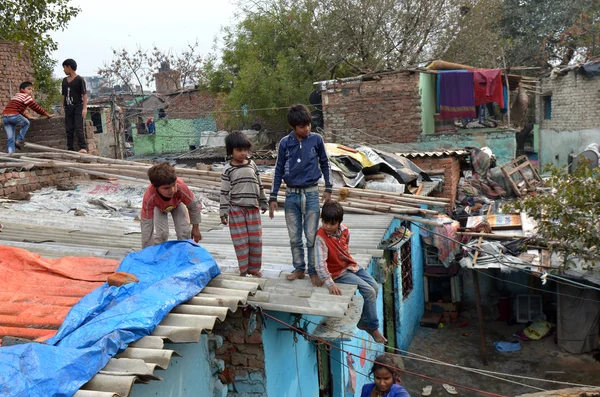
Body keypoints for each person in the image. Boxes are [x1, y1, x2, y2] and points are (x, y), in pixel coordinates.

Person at [269, 104, 332, 286]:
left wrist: (328, 188)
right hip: (291, 195)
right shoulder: (285, 143)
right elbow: (278, 169)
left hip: (311, 193)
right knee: (294, 237)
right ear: (293, 127)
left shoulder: (316, 140)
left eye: (309, 125)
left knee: (311, 236)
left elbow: (325, 163)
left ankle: (313, 271)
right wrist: (273, 197)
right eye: (303, 126)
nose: (307, 129)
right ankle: (299, 268)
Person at [315, 200, 387, 343]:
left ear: (338, 222)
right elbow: (320, 264)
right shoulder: (320, 238)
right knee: (369, 291)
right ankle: (373, 327)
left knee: (375, 286)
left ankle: (364, 321)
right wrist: (330, 283)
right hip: (338, 273)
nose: (327, 226)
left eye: (332, 224)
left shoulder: (345, 230)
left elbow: (345, 248)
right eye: (325, 222)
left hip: (350, 265)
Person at [220, 132, 268, 277]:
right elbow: (224, 192)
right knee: (241, 242)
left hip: (253, 209)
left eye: (245, 150)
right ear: (231, 151)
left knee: (255, 240)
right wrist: (223, 212)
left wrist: (263, 200)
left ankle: (254, 269)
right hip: (236, 209)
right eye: (239, 150)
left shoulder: (252, 164)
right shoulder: (228, 169)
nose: (243, 153)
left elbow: (259, 184)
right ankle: (244, 270)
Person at [140, 162, 203, 248]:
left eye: (174, 185)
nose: (172, 190)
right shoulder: (150, 197)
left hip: (177, 204)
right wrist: (146, 251)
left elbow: (194, 206)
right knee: (162, 234)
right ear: (156, 187)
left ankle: (184, 252)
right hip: (159, 208)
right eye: (166, 188)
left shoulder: (181, 187)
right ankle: (158, 253)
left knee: (184, 232)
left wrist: (196, 228)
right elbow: (147, 224)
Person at [2, 82, 54, 154]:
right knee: (26, 123)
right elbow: (35, 107)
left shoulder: (16, 96)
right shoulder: (26, 96)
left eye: (32, 90)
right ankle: (18, 140)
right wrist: (46, 114)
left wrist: (28, 116)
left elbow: (18, 110)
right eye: (29, 89)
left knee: (10, 139)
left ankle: (11, 159)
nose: (31, 91)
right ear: (22, 89)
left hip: (5, 117)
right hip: (13, 116)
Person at [61, 59, 88, 153]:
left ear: (69, 67)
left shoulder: (79, 79)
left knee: (78, 127)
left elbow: (84, 95)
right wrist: (62, 107)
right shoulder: (64, 81)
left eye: (64, 67)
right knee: (69, 128)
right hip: (68, 107)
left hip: (78, 106)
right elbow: (63, 95)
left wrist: (84, 108)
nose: (64, 70)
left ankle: (83, 147)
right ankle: (70, 148)